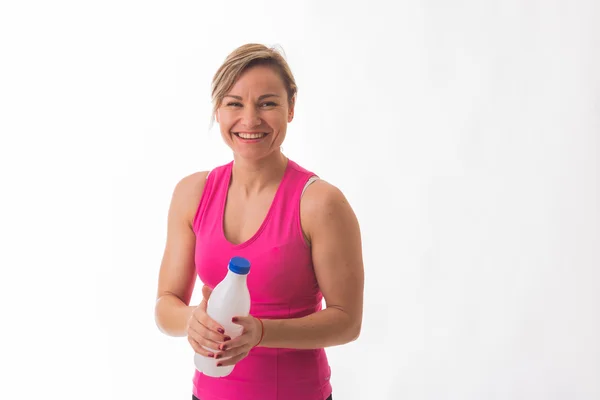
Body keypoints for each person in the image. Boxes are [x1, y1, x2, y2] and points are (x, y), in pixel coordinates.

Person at [154, 43, 364, 400]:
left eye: (267, 103)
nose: (250, 120)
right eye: (234, 103)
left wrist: (263, 332)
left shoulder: (320, 203)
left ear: (290, 109)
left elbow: (347, 321)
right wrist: (192, 320)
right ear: (218, 110)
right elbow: (165, 304)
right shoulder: (192, 193)